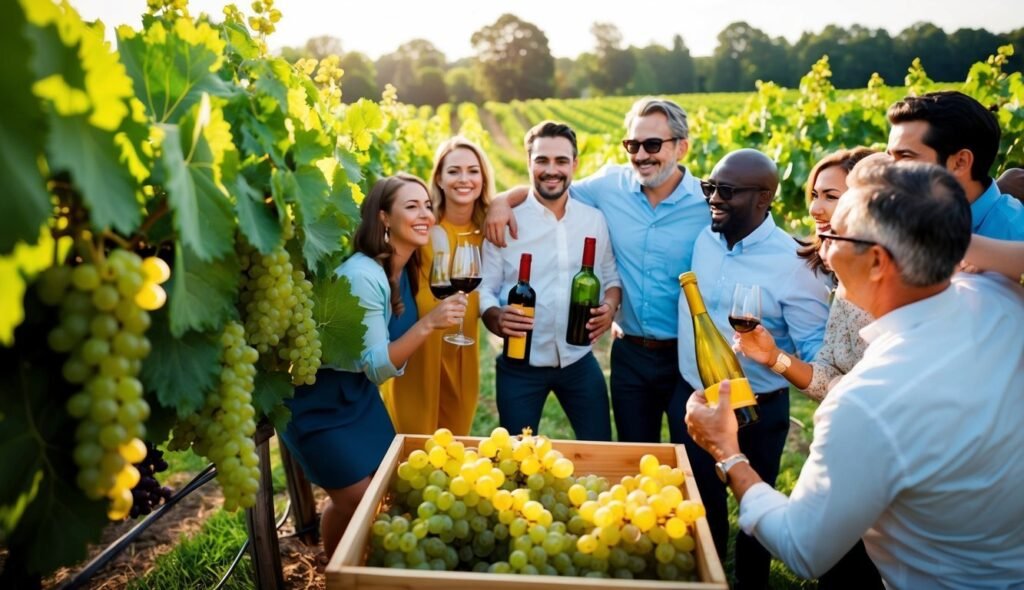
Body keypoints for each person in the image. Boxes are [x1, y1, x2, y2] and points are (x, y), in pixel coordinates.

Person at [685, 161, 1024, 587]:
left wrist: (727, 451)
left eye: (834, 237)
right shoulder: (1000, 299)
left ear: (878, 261)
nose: (822, 249)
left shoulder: (865, 402)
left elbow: (802, 549)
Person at [485, 98, 708, 443]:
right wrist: (501, 200)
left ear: (682, 147)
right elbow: (551, 188)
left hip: (684, 355)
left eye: (652, 144)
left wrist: (611, 303)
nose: (641, 154)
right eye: (633, 144)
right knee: (629, 453)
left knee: (690, 455)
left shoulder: (708, 202)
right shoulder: (608, 188)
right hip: (626, 356)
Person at [279, 174, 467, 557]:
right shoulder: (364, 275)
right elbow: (377, 366)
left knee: (380, 495)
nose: (425, 214)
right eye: (411, 206)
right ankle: (339, 573)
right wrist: (429, 324)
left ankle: (346, 566)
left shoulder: (405, 269)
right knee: (359, 502)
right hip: (318, 403)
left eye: (427, 206)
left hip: (359, 397)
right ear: (383, 217)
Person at [677, 148, 831, 588]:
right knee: (699, 504)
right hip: (696, 398)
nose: (714, 198)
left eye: (727, 191)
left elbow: (816, 354)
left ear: (764, 198)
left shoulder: (795, 263)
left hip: (758, 411)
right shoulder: (705, 237)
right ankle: (705, 578)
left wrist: (772, 353)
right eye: (710, 187)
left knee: (755, 510)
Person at [479, 121, 620, 440]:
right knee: (515, 459)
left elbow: (611, 276)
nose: (551, 170)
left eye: (561, 161)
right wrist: (493, 315)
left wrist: (610, 307)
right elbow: (485, 286)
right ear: (529, 162)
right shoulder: (505, 221)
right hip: (519, 364)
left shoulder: (593, 220)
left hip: (579, 360)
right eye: (542, 160)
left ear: (575, 164)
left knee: (600, 448)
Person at [381, 137, 494, 436]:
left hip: (463, 353)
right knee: (413, 443)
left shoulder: (488, 230)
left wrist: (504, 202)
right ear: (439, 179)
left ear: (483, 179)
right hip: (420, 353)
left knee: (453, 445)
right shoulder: (422, 228)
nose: (464, 179)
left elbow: (526, 195)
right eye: (454, 171)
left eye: (473, 171)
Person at [887, 90, 1024, 240]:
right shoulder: (914, 218)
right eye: (889, 156)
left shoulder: (1014, 237)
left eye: (905, 156)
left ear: (960, 162)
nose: (886, 170)